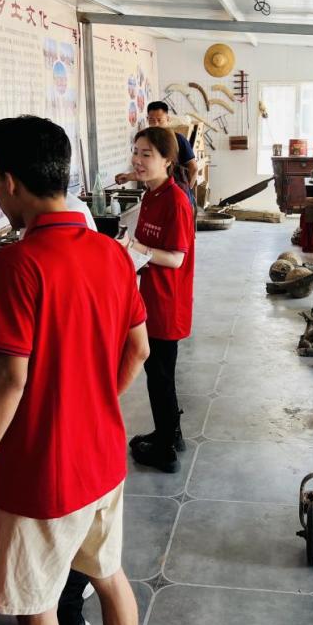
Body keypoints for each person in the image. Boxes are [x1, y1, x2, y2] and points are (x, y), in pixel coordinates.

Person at [0, 115, 148, 625]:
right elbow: (139, 349)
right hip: (103, 457)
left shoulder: (20, 261)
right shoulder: (110, 252)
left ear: (10, 180)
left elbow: (11, 378)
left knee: (36, 608)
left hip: (43, 472)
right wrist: (95, 400)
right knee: (109, 575)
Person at [119, 127, 195, 473]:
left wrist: (134, 247)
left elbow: (176, 258)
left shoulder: (176, 201)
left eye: (146, 154)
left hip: (167, 302)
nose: (137, 160)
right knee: (158, 373)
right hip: (151, 296)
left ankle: (165, 450)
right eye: (136, 152)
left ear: (167, 160)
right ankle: (171, 434)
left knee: (160, 375)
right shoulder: (151, 194)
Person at [115, 102, 198, 205]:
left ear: (168, 119)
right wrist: (128, 177)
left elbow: (193, 168)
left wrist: (185, 191)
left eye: (159, 120)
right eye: (151, 120)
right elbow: (152, 170)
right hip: (158, 195)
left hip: (176, 195)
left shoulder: (178, 140)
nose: (155, 124)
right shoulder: (148, 141)